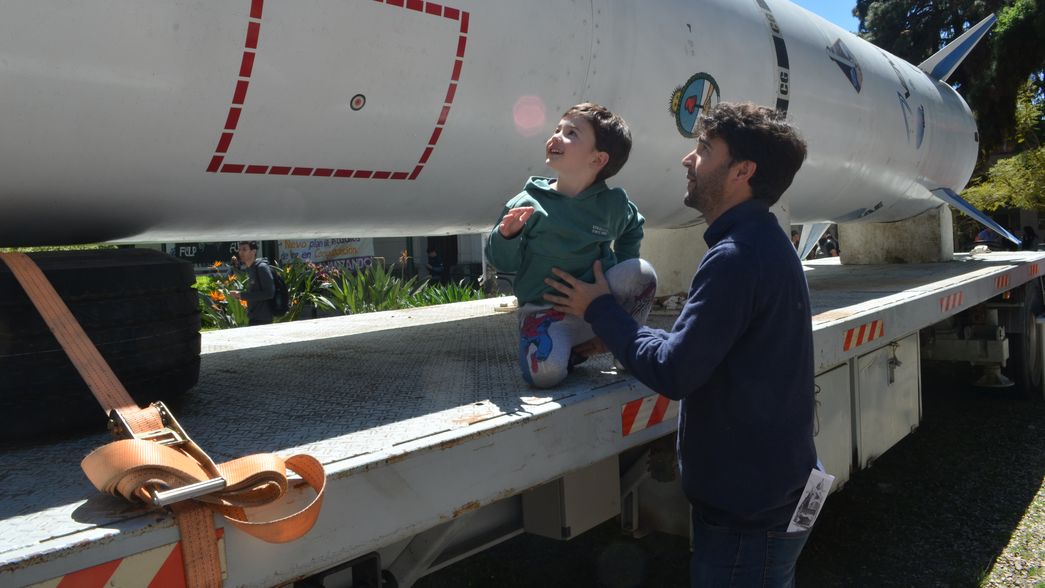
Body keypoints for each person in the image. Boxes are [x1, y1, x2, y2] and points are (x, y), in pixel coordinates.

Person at [543, 102, 818, 586]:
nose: (687, 160)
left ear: (742, 172)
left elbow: (675, 372)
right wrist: (620, 336)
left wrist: (600, 308)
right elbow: (704, 349)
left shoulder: (735, 258)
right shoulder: (764, 243)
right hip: (772, 493)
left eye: (704, 149)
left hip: (747, 514)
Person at [485, 102, 657, 388]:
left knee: (642, 274)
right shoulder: (527, 204)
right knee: (545, 376)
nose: (556, 137)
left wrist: (619, 268)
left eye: (571, 133)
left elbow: (633, 226)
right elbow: (502, 262)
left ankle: (626, 346)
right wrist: (506, 236)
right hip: (546, 312)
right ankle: (570, 352)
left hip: (599, 306)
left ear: (598, 159)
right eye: (557, 129)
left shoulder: (612, 204)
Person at [229, 240, 275, 326]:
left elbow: (269, 293)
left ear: (253, 252)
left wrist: (242, 295)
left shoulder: (261, 268)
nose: (241, 252)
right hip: (255, 318)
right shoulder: (252, 268)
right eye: (240, 249)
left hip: (263, 320)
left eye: (244, 249)